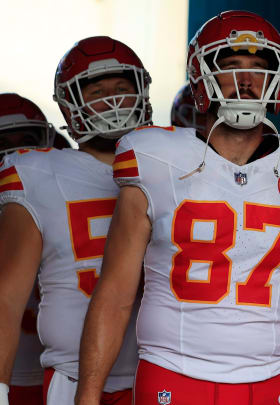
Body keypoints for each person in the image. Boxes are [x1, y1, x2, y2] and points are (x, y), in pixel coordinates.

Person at [75, 11, 280, 405]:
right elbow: (116, 291)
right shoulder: (157, 158)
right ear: (201, 76)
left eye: (259, 67)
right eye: (233, 66)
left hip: (268, 380)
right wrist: (87, 396)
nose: (247, 80)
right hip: (173, 374)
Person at [0, 36, 151, 405]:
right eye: (97, 91)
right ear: (70, 106)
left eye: (121, 88)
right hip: (72, 374)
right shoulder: (38, 172)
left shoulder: (174, 160)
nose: (113, 100)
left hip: (163, 370)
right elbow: (6, 299)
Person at [0, 93, 56, 405]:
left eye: (26, 140)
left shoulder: (60, 195)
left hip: (57, 371)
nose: (15, 152)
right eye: (4, 143)